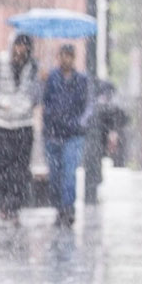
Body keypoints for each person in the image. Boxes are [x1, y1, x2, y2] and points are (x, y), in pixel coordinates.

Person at [0, 33, 40, 225]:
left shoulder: (34, 67)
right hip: (2, 123)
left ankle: (13, 205)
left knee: (21, 169)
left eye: (24, 46)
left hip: (24, 123)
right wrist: (2, 102)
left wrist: (26, 103)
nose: (20, 50)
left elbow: (37, 93)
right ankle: (7, 203)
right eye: (18, 45)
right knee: (4, 165)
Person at [43, 44, 89, 227]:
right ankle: (59, 208)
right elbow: (44, 101)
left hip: (73, 134)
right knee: (55, 176)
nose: (66, 59)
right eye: (63, 55)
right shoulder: (51, 78)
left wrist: (78, 123)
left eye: (69, 56)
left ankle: (68, 209)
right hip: (53, 134)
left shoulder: (81, 79)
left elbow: (87, 105)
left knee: (69, 174)